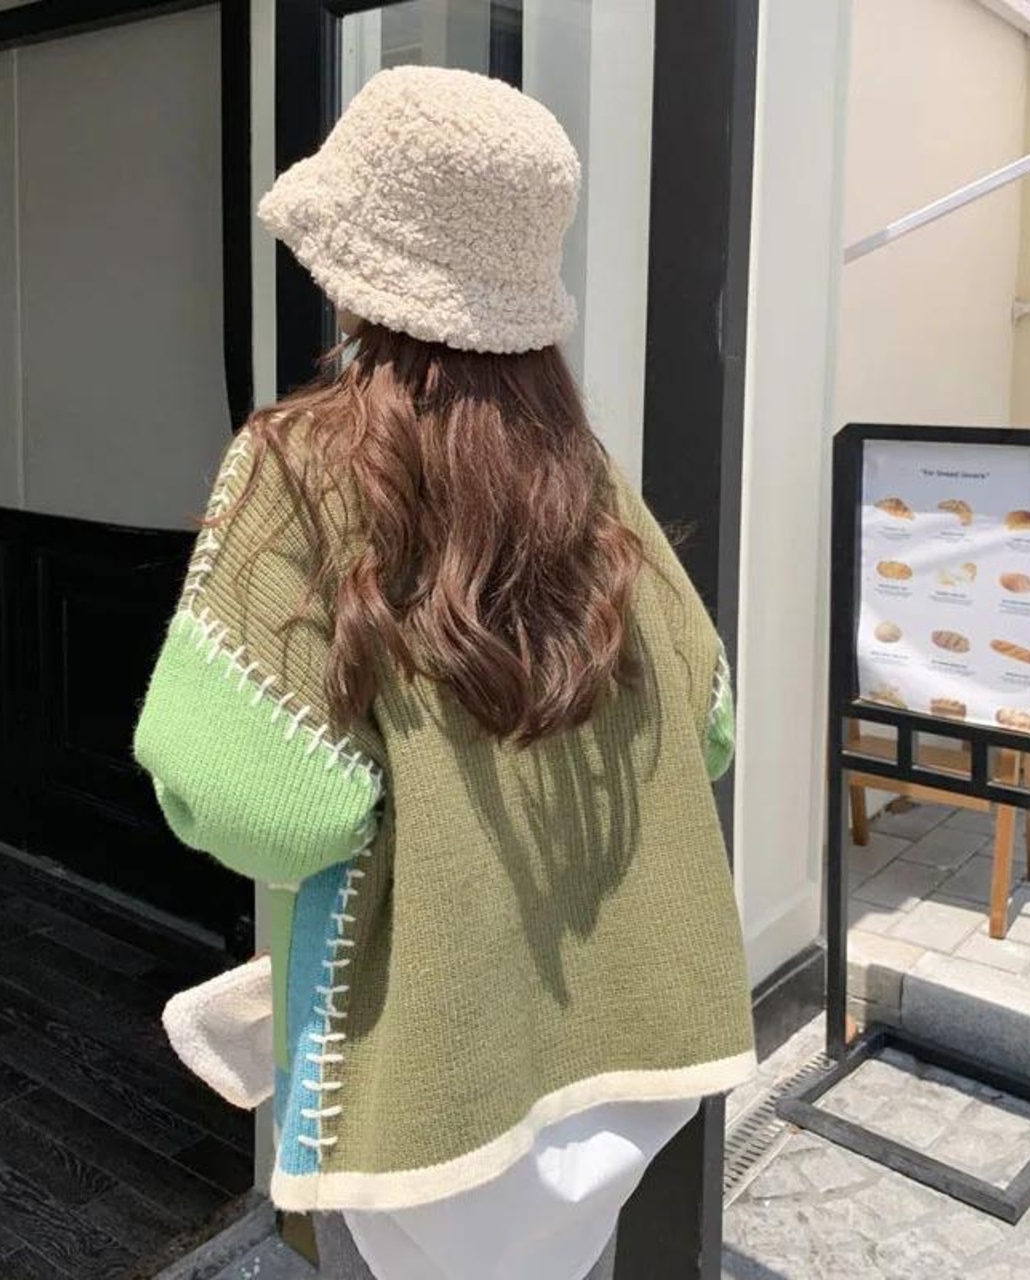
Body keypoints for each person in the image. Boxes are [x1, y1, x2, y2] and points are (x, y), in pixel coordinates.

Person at [133, 65, 754, 1280]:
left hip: (425, 1081)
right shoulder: (586, 472)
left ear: (356, 271)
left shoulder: (295, 461)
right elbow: (711, 723)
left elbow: (259, 803)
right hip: (613, 1060)